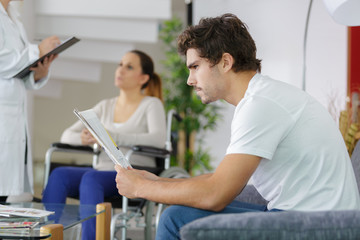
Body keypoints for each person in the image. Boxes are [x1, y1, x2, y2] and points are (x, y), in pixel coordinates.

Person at [114, 13, 360, 239]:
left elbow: (215, 194)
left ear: (225, 62)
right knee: (180, 211)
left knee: (175, 219)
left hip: (320, 227)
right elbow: (222, 179)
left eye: (195, 67)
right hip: (307, 217)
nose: (190, 80)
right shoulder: (262, 97)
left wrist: (141, 188)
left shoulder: (260, 104)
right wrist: (156, 181)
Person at [42, 50, 166, 240]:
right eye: (120, 64)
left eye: (129, 66)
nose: (121, 70)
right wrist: (84, 139)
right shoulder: (105, 105)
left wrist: (112, 136)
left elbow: (158, 139)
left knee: (91, 179)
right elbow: (66, 135)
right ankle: (46, 235)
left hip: (133, 171)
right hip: (101, 170)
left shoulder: (151, 104)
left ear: (143, 78)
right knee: (60, 175)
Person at [0, 0, 60, 202]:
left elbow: (17, 72)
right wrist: (38, 51)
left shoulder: (14, 15)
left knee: (4, 194)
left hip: (13, 116)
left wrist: (37, 73)